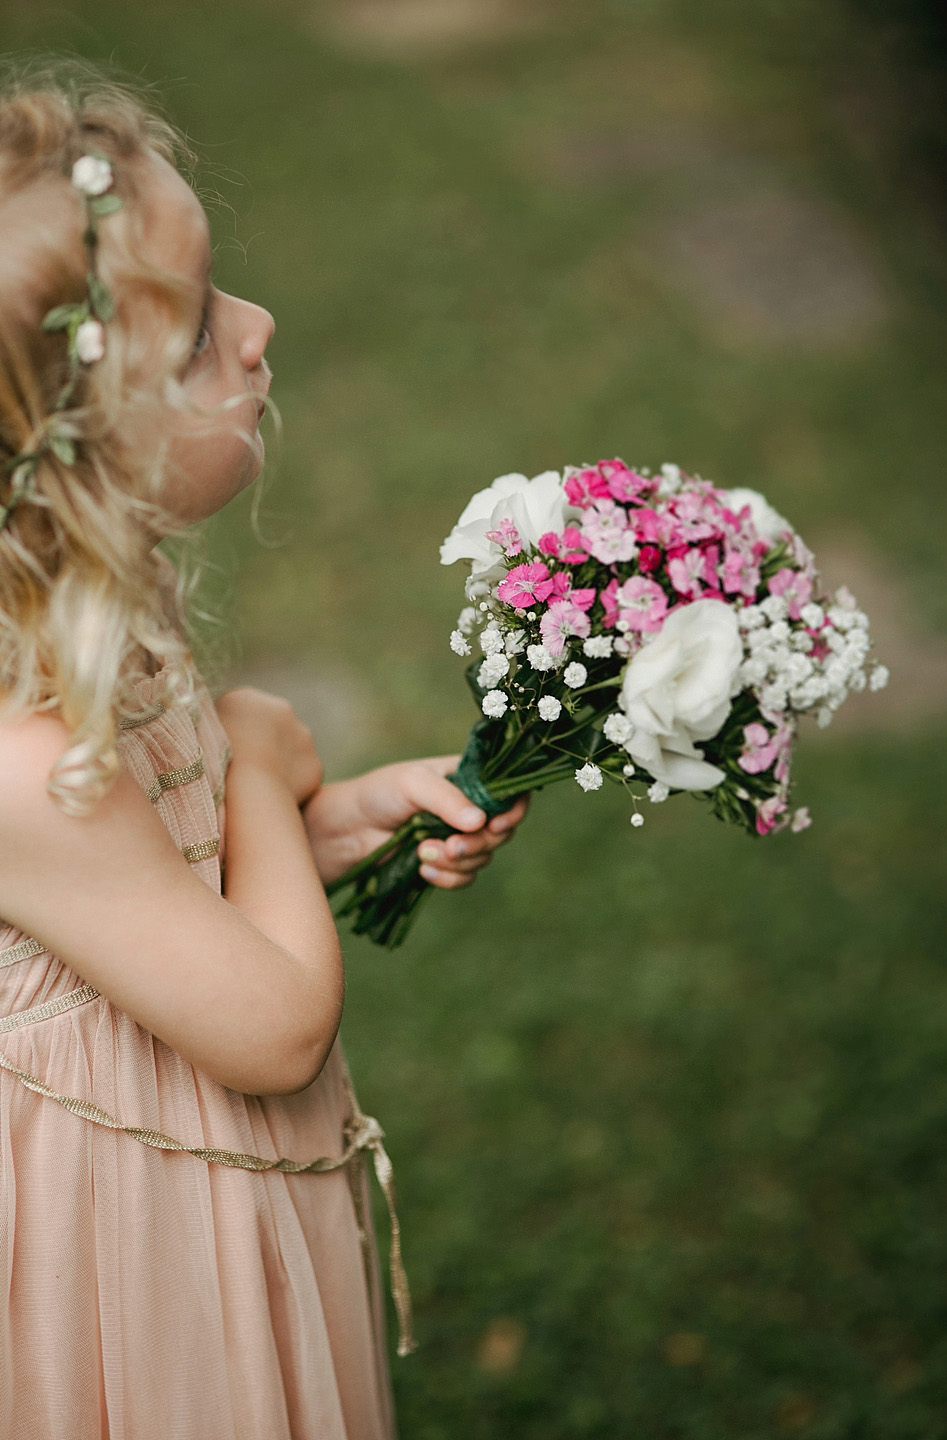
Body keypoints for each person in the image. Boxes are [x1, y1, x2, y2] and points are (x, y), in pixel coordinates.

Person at [0, 64, 527, 1440]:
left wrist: (330, 811)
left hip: (182, 1141)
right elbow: (277, 1026)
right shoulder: (21, 749)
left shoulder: (73, 621)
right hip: (120, 1228)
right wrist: (249, 751)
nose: (257, 326)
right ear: (62, 464)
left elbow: (174, 886)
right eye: (194, 340)